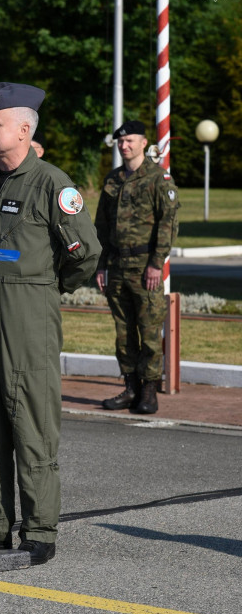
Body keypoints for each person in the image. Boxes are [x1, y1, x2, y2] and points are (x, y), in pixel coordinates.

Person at [0, 82, 101, 565]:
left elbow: (86, 253)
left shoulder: (51, 184)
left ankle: (39, 528)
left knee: (32, 422)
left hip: (30, 311)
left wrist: (45, 286)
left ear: (24, 129)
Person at [94, 120, 180, 415]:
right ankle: (130, 387)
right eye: (120, 141)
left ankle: (149, 390)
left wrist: (157, 264)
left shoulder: (158, 179)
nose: (124, 145)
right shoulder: (113, 180)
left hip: (146, 268)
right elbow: (101, 228)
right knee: (123, 332)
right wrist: (101, 266)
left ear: (144, 143)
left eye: (130, 141)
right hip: (117, 265)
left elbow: (168, 225)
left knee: (149, 331)